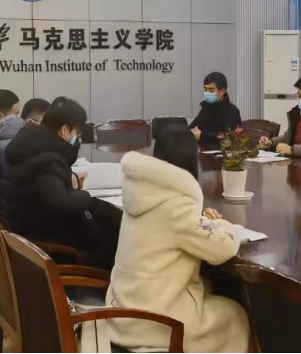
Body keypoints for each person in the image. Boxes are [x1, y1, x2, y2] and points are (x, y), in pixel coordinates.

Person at [106, 126, 251, 353]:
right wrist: (222, 224)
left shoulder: (142, 194)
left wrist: (201, 220)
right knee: (235, 314)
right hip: (157, 323)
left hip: (123, 311)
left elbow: (169, 227)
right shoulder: (177, 206)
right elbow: (224, 247)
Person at [0, 97, 98, 253]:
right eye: (76, 133)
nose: (77, 139)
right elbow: (62, 202)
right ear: (64, 130)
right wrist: (87, 196)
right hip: (48, 246)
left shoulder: (27, 144)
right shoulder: (50, 159)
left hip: (23, 236)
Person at [189, 72, 242, 144]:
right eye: (205, 89)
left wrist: (201, 135)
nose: (207, 93)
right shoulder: (205, 108)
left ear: (222, 91)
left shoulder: (232, 111)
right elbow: (190, 128)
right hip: (201, 149)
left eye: (211, 90)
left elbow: (227, 138)